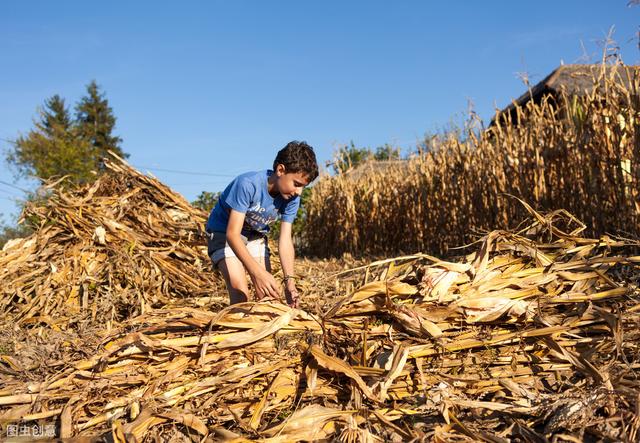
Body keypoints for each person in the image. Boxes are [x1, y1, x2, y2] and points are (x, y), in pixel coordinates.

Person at [205, 141, 319, 307]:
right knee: (240, 295)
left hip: (255, 235)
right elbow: (233, 234)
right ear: (280, 170)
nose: (299, 192)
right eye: (296, 184)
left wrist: (290, 282)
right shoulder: (247, 184)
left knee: (269, 298)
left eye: (303, 187)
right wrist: (257, 273)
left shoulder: (292, 198)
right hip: (224, 232)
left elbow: (285, 240)